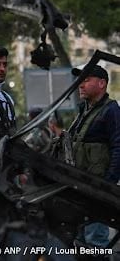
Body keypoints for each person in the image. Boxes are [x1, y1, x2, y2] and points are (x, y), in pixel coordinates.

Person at [67, 65, 120, 248]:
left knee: (95, 243)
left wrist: (107, 184)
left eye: (86, 80)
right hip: (79, 188)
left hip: (96, 189)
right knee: (78, 243)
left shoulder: (111, 110)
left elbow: (118, 147)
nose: (81, 85)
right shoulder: (83, 112)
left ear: (102, 83)